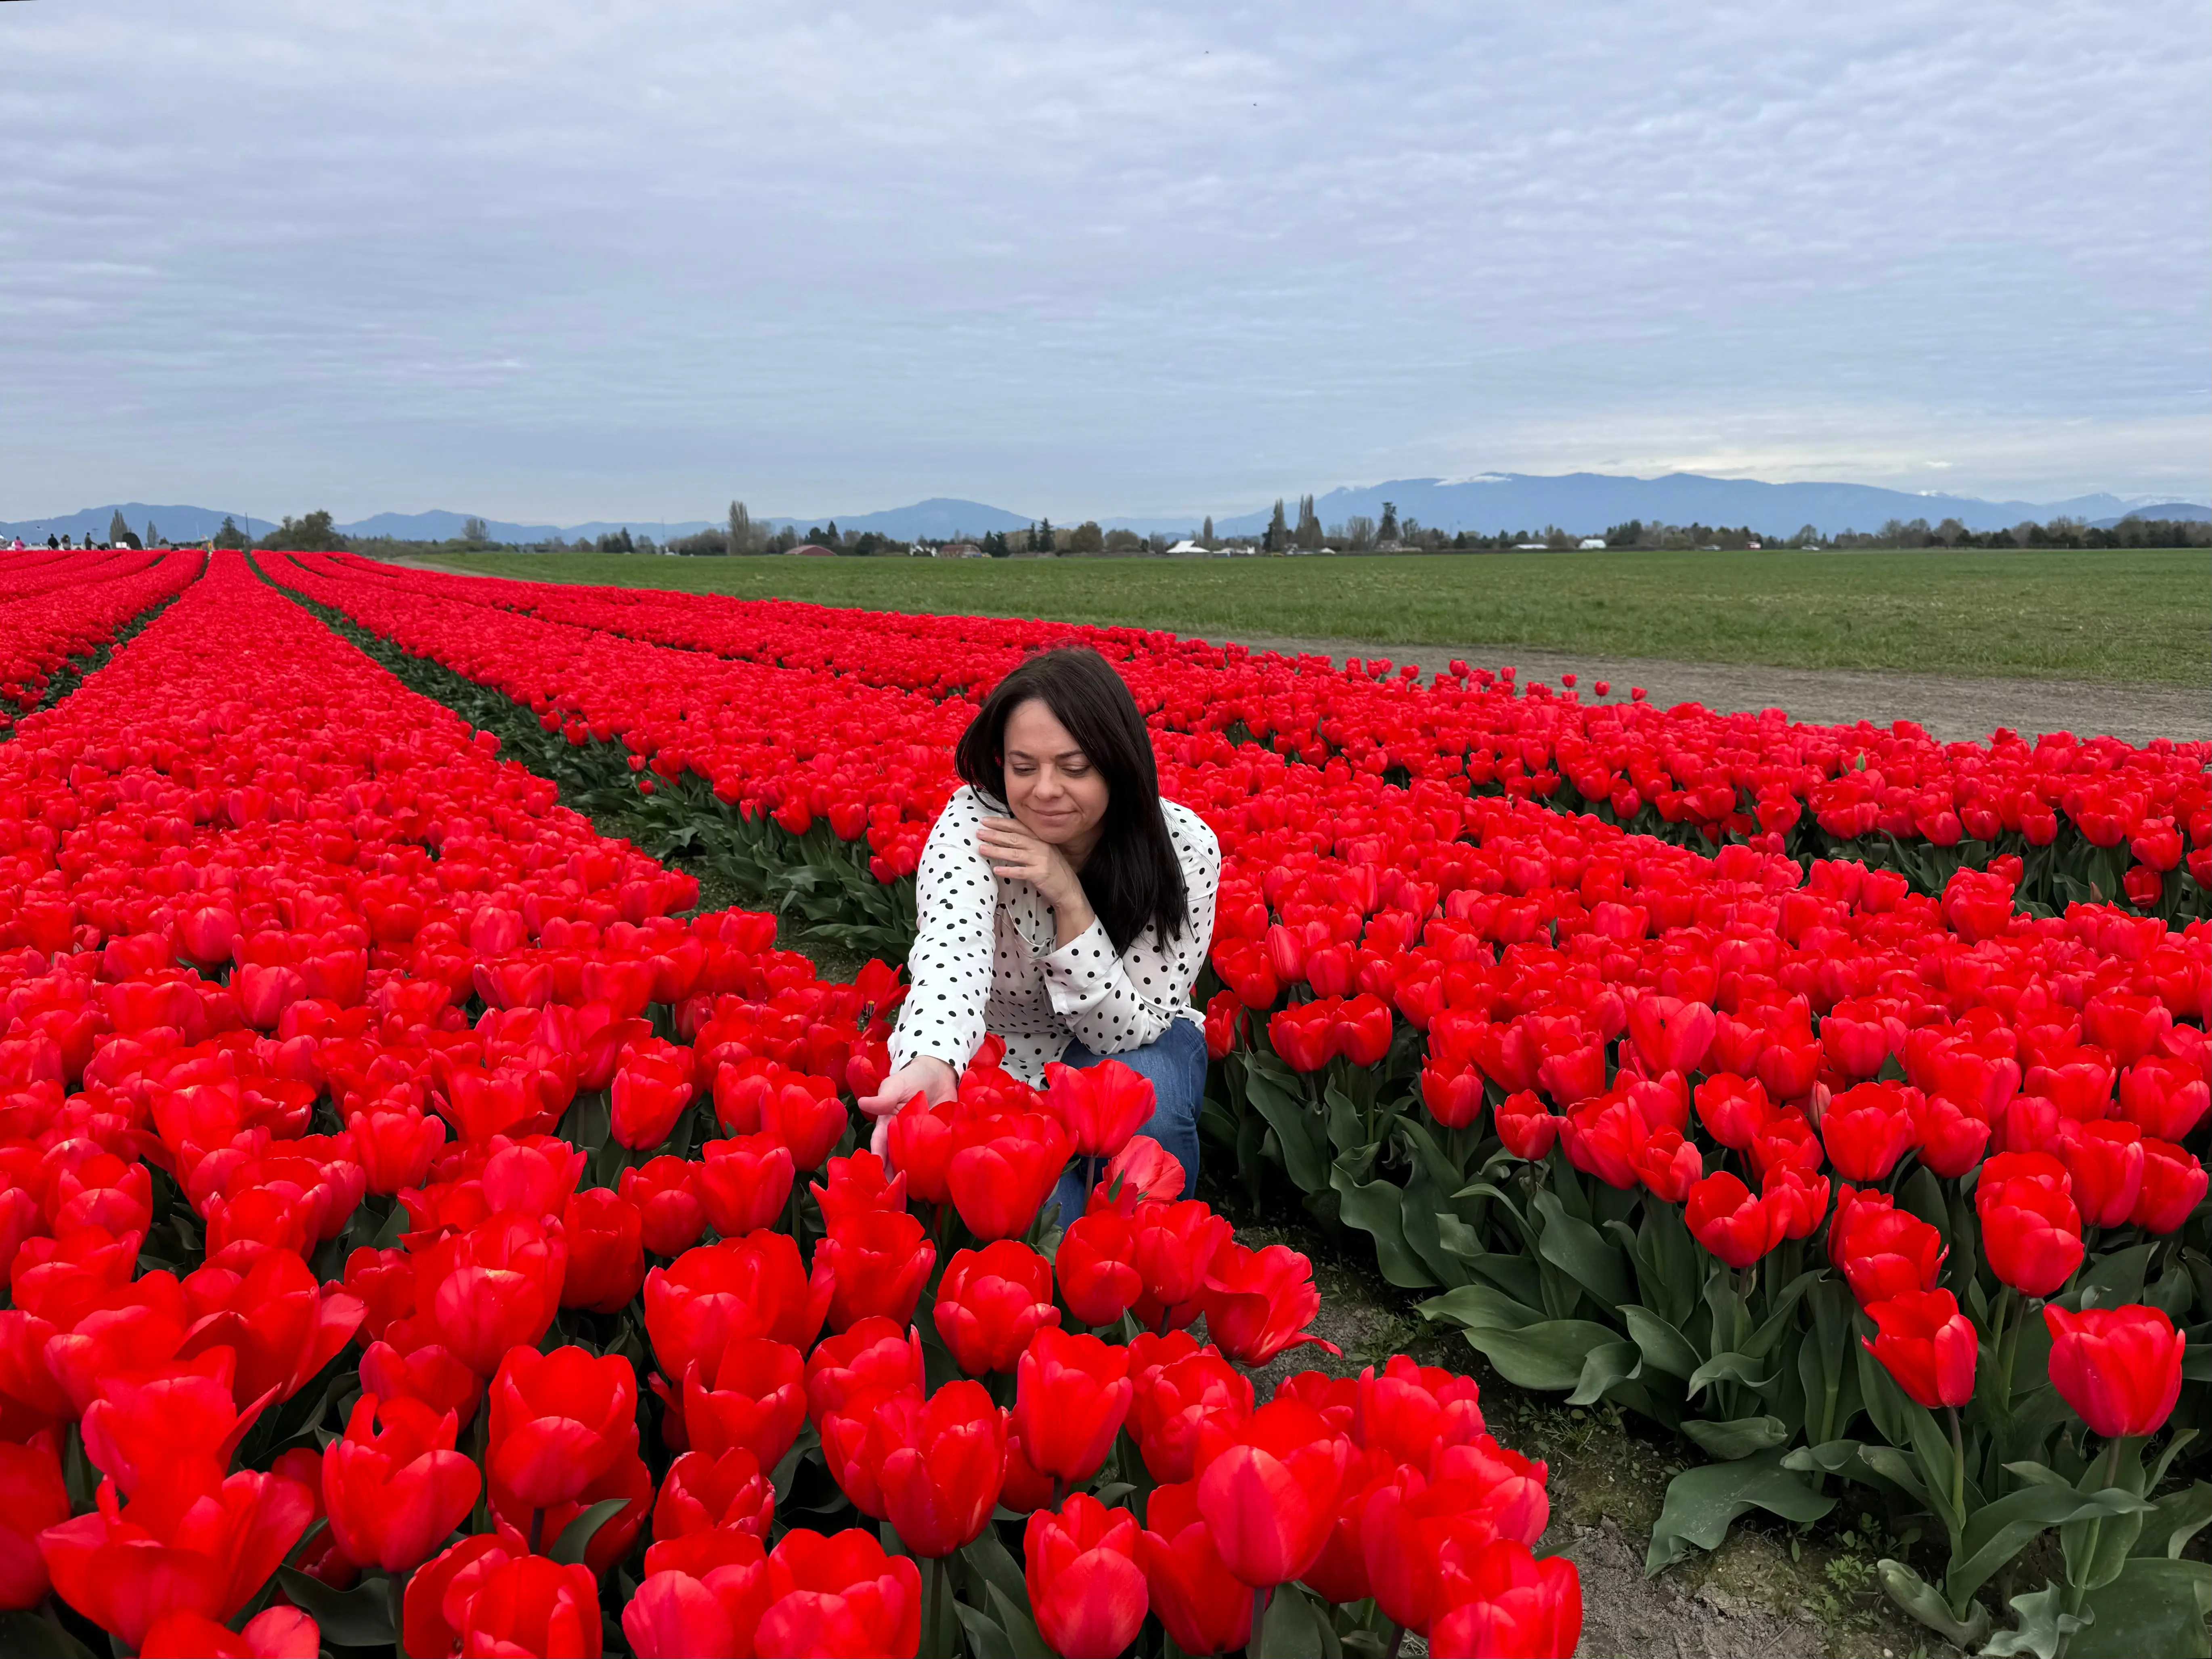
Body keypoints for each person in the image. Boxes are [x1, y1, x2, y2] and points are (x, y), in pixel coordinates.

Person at [857, 646, 1220, 1223]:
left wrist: (1069, 900)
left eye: (1074, 768)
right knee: (1045, 1212)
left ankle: (1154, 1260)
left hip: (1135, 1044)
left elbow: (1129, 1029)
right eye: (1023, 768)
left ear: (1118, 764)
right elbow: (951, 950)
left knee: (1146, 1115)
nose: (1045, 790)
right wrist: (933, 1058)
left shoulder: (1180, 848)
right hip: (1001, 1049)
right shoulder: (974, 827)